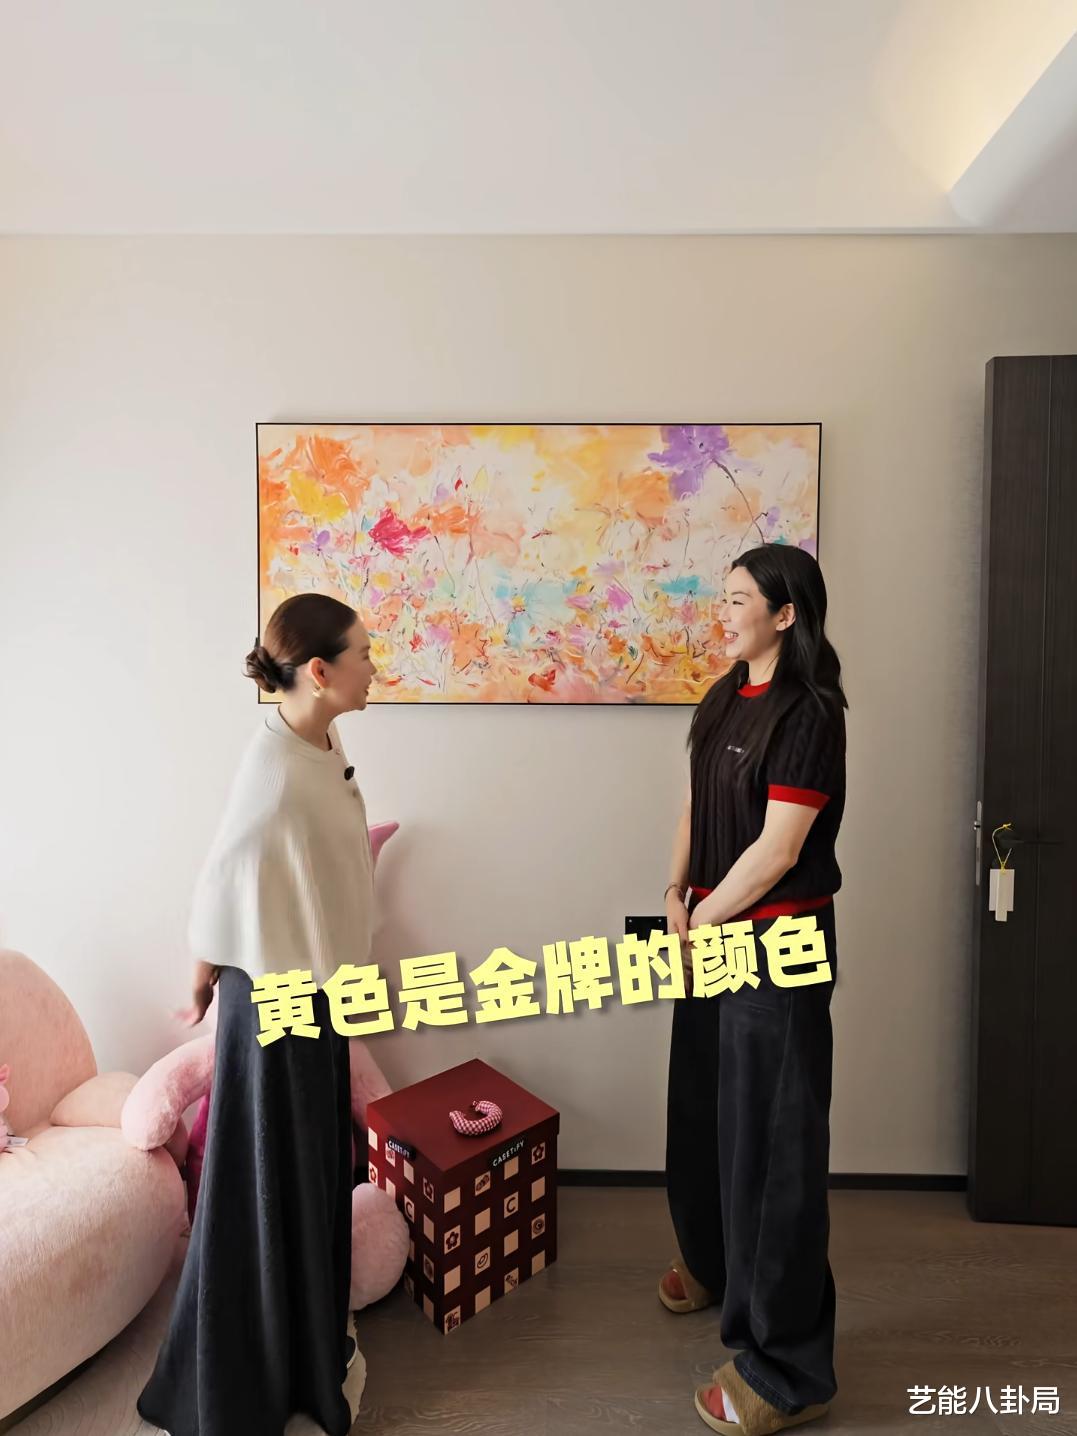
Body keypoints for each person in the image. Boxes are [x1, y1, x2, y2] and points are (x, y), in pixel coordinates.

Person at [138, 594, 378, 1436]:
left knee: (311, 1176)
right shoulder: (271, 766)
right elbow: (220, 881)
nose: (373, 669)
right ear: (320, 671)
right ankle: (242, 1383)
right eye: (362, 655)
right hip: (275, 1004)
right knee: (267, 1187)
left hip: (316, 998)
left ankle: (308, 1357)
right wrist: (202, 985)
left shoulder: (321, 739)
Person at [660, 544, 847, 1436]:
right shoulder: (720, 696)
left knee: (772, 1154)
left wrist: (704, 917)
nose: (722, 610)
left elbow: (778, 849)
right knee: (701, 1113)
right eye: (723, 596)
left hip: (776, 944)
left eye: (739, 599)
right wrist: (675, 893)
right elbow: (694, 806)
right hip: (707, 929)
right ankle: (712, 1264)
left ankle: (785, 1369)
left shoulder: (808, 712)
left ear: (784, 614)